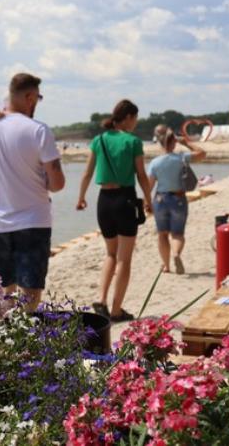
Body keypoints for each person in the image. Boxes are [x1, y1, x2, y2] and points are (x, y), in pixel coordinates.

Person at [0, 73, 65, 311]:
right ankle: (26, 339)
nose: (36, 104)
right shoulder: (39, 130)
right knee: (31, 290)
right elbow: (57, 184)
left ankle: (8, 339)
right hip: (33, 220)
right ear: (29, 96)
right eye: (37, 98)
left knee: (7, 288)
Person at [76, 99, 152, 323]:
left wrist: (81, 197)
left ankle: (101, 300)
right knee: (124, 259)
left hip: (103, 202)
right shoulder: (133, 141)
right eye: (135, 118)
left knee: (110, 253)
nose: (136, 123)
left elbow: (87, 173)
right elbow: (141, 175)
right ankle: (116, 310)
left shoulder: (98, 140)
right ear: (128, 117)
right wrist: (149, 200)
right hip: (125, 199)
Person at [148, 125, 206, 274]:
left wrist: (146, 203)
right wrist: (185, 142)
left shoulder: (155, 163)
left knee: (162, 234)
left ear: (160, 143)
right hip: (178, 198)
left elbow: (149, 186)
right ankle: (176, 254)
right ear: (174, 142)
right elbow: (202, 153)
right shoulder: (181, 158)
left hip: (160, 199)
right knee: (177, 234)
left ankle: (166, 266)